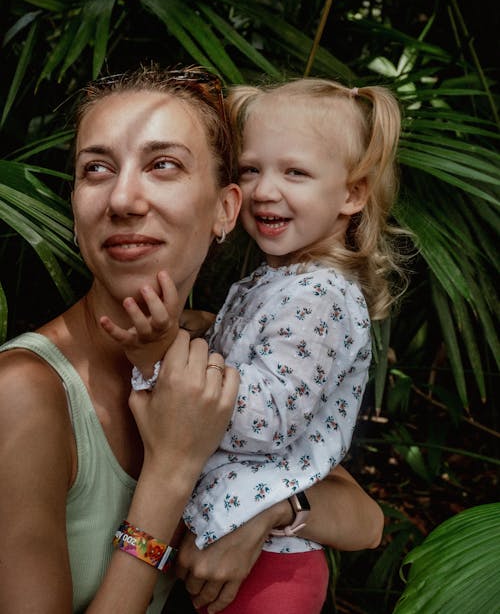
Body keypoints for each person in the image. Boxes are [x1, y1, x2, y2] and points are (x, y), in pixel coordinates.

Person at [0, 66, 383, 614]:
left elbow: (366, 519)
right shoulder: (22, 394)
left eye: (163, 165)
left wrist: (266, 513)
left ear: (227, 209)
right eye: (97, 169)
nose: (124, 199)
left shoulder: (213, 351)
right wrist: (172, 471)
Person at [110, 75, 401, 613]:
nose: (265, 189)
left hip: (273, 566)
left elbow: (265, 423)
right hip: (238, 538)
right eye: (252, 169)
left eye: (295, 171)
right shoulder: (280, 281)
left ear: (352, 194)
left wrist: (166, 354)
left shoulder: (320, 293)